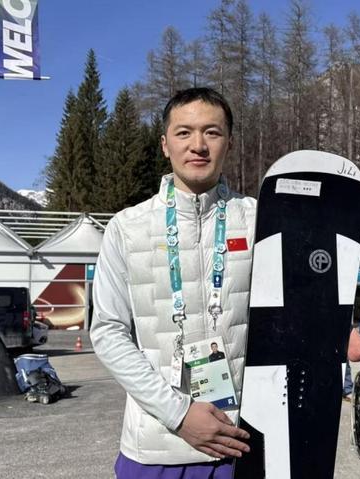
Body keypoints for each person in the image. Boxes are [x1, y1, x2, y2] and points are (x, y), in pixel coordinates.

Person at [90, 87, 256, 479]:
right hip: (156, 446)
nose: (198, 145)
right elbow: (108, 332)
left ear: (229, 143)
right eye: (184, 133)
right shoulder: (127, 227)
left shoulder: (259, 221)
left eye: (212, 132)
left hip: (242, 441)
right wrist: (179, 414)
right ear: (165, 145)